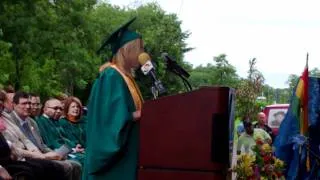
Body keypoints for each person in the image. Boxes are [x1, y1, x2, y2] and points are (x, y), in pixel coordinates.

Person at [83, 17, 144, 180]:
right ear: (127, 50)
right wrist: (134, 115)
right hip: (115, 161)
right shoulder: (111, 75)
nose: (142, 54)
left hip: (128, 150)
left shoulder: (126, 77)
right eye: (139, 49)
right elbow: (106, 120)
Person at [36, 98, 84, 164]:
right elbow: (51, 143)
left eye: (60, 109)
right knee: (84, 160)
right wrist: (72, 149)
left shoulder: (55, 121)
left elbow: (65, 138)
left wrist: (74, 146)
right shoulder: (41, 121)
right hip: (56, 153)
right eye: (55, 108)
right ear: (45, 109)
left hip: (67, 151)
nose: (58, 111)